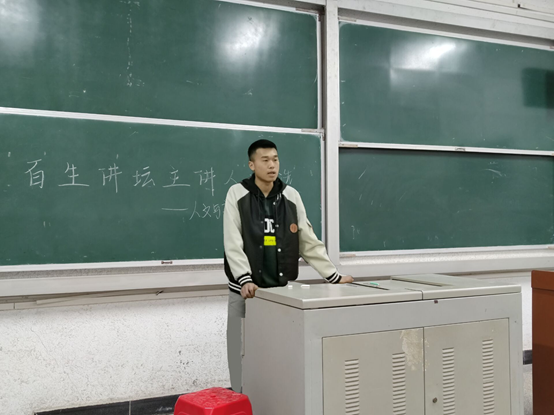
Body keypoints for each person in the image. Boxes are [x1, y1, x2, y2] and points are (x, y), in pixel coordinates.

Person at [223, 139, 354, 392]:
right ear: (252, 165)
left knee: (277, 352)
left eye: (275, 159)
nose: (272, 165)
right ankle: (240, 397)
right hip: (245, 292)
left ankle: (273, 400)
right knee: (240, 351)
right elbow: (232, 241)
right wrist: (244, 278)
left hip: (280, 293)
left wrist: (333, 276)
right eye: (265, 160)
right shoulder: (237, 194)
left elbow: (307, 240)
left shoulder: (291, 196)